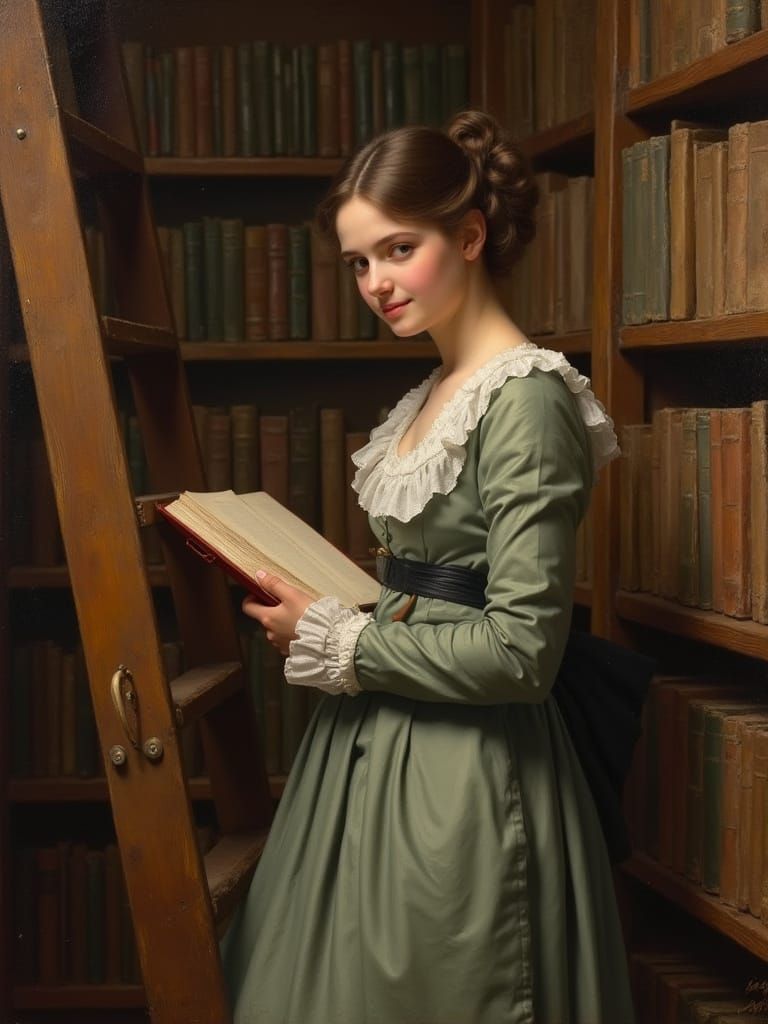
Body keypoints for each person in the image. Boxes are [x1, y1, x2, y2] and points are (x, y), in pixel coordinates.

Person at [219, 109, 636, 1024]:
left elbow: (524, 651)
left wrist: (344, 643)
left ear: (472, 234)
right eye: (359, 262)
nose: (376, 282)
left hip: (466, 774)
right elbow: (435, 581)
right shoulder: (433, 391)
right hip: (375, 748)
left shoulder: (525, 399)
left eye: (397, 250)